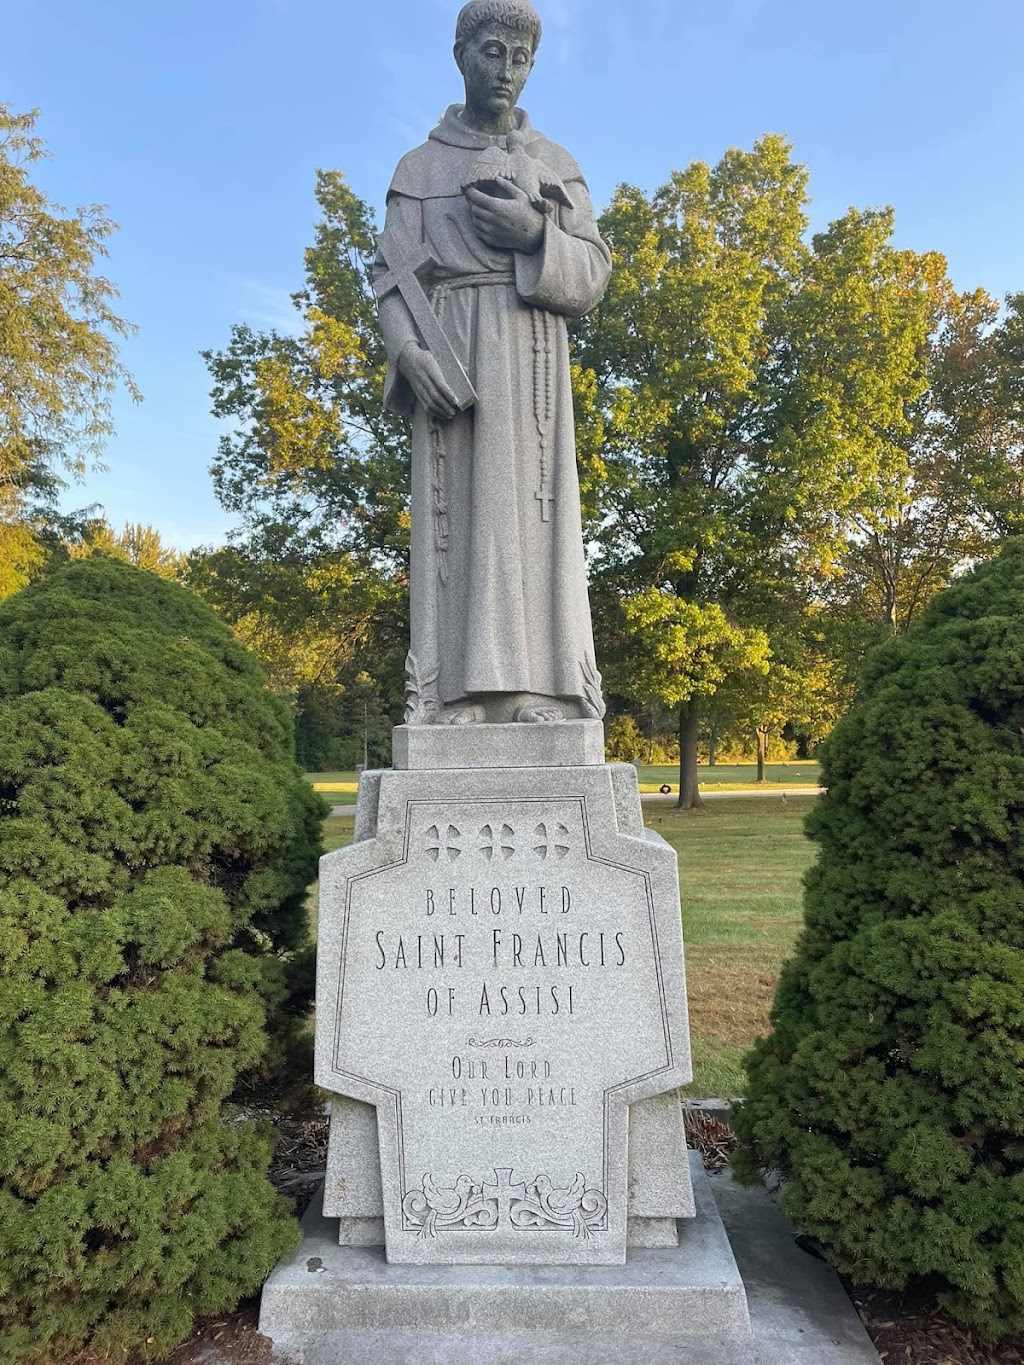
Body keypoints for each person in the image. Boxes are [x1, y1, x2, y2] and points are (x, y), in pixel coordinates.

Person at [376, 0, 611, 726]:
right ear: (461, 55)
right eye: (491, 52)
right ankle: (459, 696)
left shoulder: (557, 166)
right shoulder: (419, 168)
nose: (506, 69)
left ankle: (541, 693)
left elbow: (595, 273)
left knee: (537, 528)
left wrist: (535, 233)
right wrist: (408, 355)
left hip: (534, 358)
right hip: (453, 368)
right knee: (462, 526)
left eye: (520, 56)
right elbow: (389, 280)